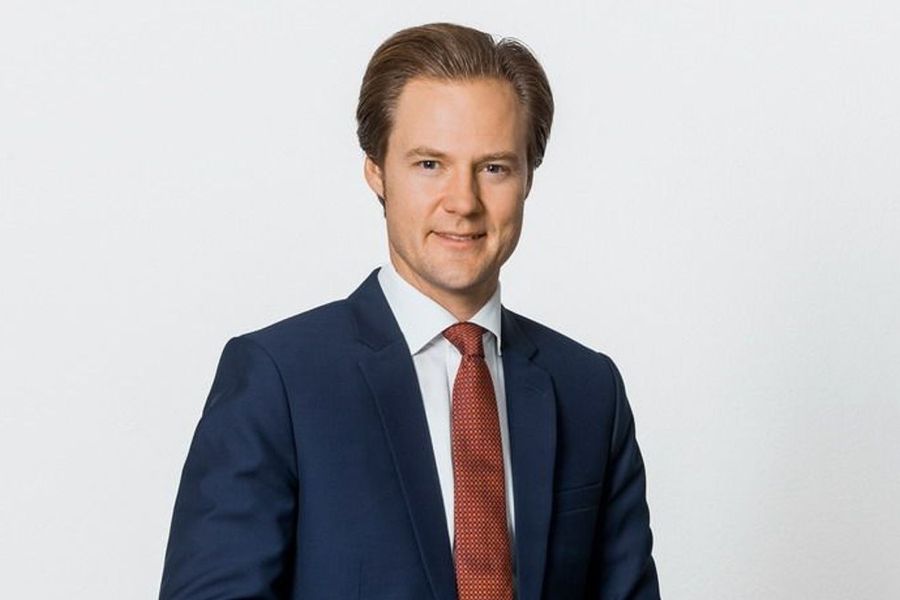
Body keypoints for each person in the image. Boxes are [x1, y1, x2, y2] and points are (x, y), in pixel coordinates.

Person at [159, 22, 660, 600]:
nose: (463, 202)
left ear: (528, 177)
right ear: (376, 170)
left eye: (493, 167)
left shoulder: (589, 389)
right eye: (429, 164)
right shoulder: (279, 381)